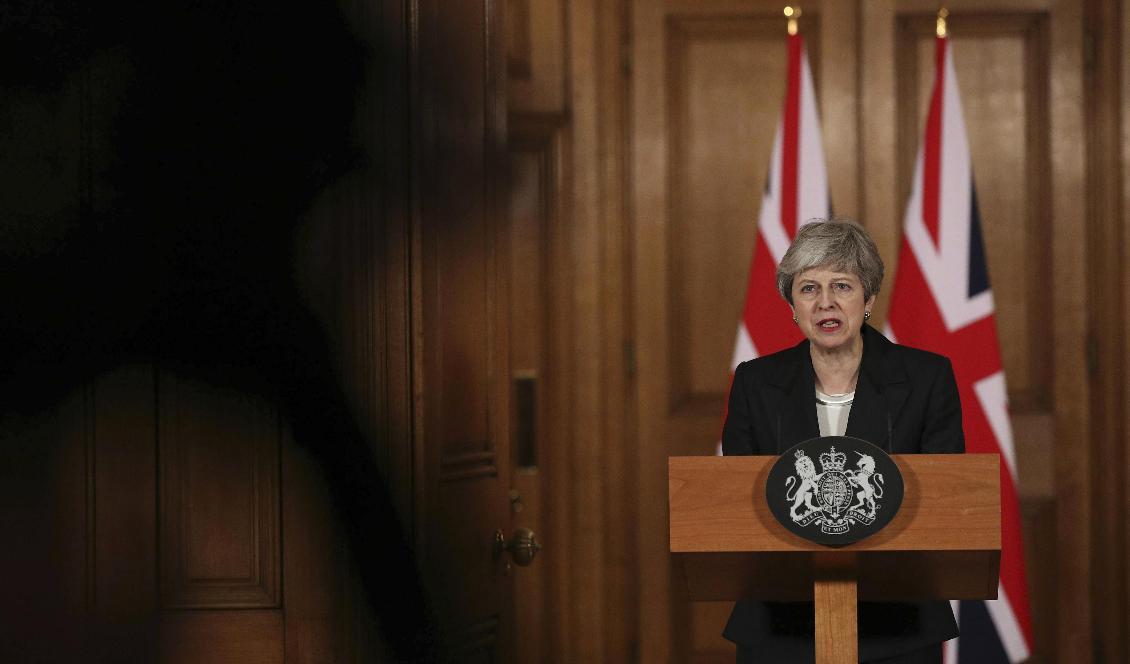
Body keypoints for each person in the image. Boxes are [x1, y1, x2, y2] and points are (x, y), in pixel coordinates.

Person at [722, 219, 962, 663]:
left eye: (842, 286)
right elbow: (740, 501)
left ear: (868, 298)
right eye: (808, 288)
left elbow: (946, 498)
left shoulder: (927, 378)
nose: (825, 302)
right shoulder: (755, 383)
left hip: (897, 623)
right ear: (792, 304)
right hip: (779, 623)